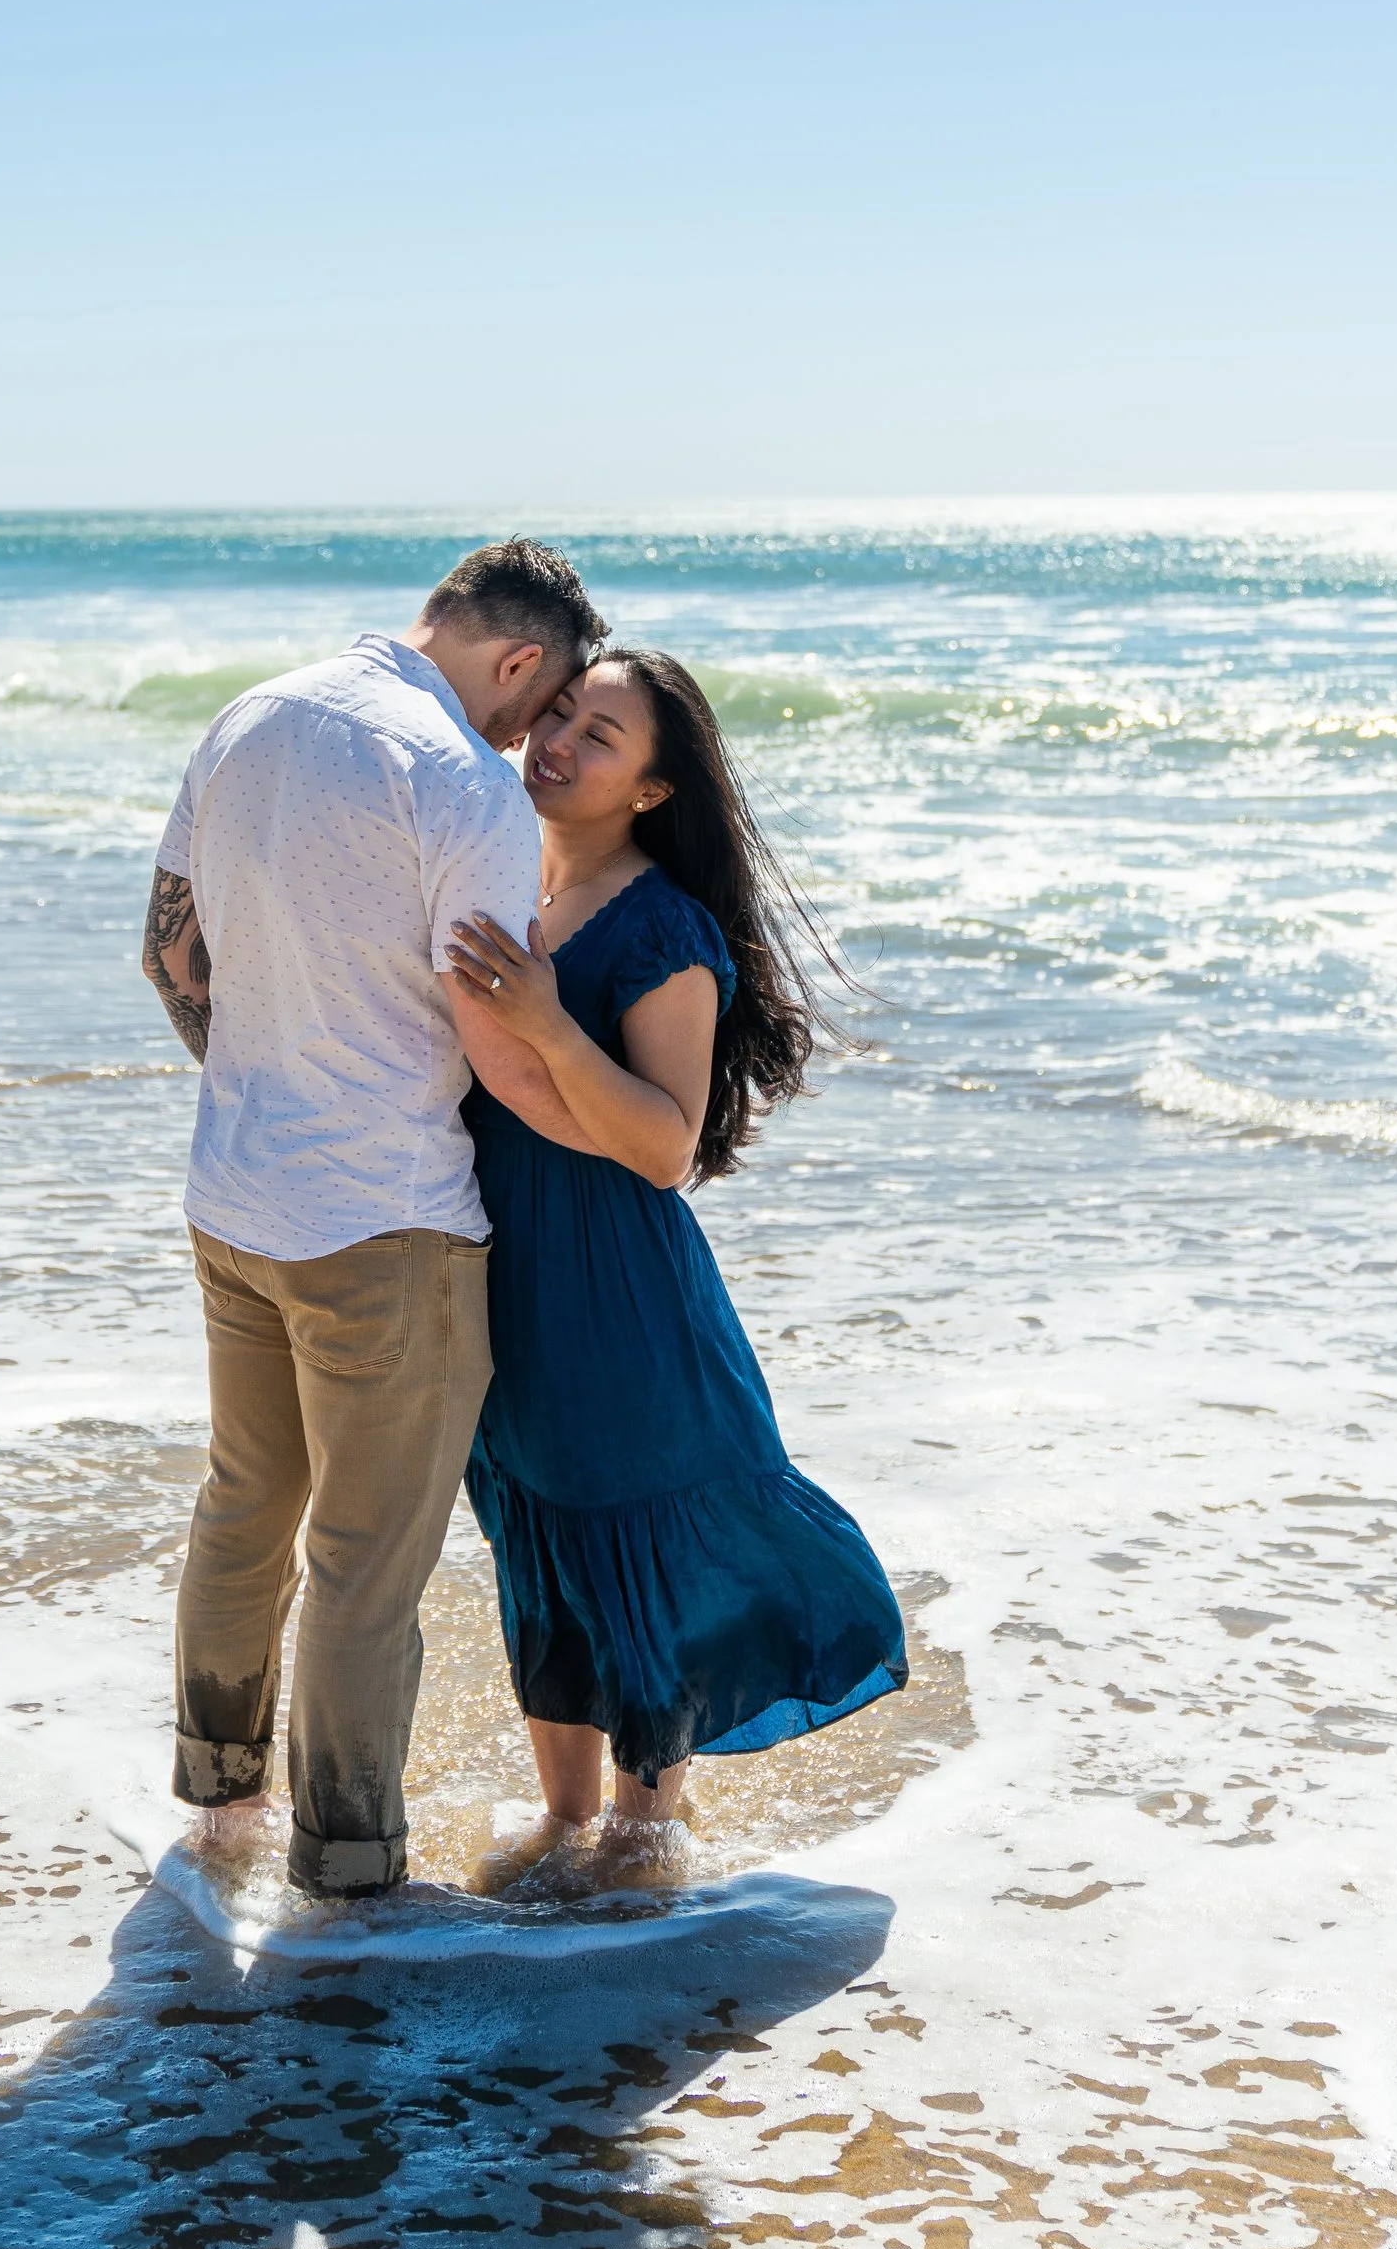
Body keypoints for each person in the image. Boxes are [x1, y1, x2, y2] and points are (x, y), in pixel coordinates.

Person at [141, 538, 606, 1897]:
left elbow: (169, 946)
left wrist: (260, 1082)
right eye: (544, 703)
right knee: (362, 1561)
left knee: (245, 1504)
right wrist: (631, 1149)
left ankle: (219, 1807)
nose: (535, 740)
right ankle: (346, 1869)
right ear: (518, 659)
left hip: (233, 1197)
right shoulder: (465, 783)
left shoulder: (250, 717)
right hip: (387, 1218)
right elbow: (502, 1039)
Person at [444, 646, 906, 1886]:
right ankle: (561, 1817)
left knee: (630, 1523)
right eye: (555, 716)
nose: (556, 743)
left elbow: (662, 1143)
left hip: (612, 1278)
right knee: (532, 1523)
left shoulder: (665, 926)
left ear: (652, 790)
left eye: (598, 736)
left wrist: (546, 1019)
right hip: (494, 1259)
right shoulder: (501, 876)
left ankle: (650, 1830)